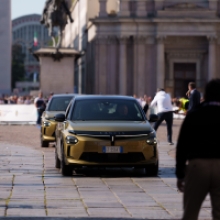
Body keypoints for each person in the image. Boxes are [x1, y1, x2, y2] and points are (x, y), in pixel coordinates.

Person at [176, 79, 220, 220]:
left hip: (197, 167)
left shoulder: (194, 115)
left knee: (190, 212)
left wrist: (180, 173)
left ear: (205, 95)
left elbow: (182, 146)